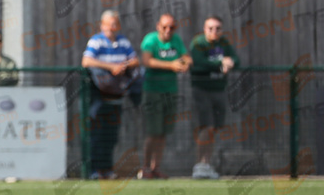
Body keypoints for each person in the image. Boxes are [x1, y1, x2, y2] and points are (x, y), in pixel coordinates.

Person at [81, 10, 140, 179]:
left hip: (116, 95)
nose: (111, 28)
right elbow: (87, 61)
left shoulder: (123, 41)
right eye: (107, 24)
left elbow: (135, 60)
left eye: (114, 24)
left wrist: (123, 65)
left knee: (111, 135)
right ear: (101, 25)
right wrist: (111, 66)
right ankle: (93, 170)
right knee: (96, 133)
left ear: (118, 26)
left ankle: (106, 169)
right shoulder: (96, 41)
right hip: (97, 95)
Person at [138, 14, 191, 179]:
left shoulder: (176, 41)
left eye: (172, 27)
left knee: (163, 133)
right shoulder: (150, 40)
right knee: (153, 132)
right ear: (158, 26)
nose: (168, 30)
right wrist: (171, 65)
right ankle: (145, 168)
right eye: (165, 27)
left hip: (171, 91)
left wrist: (185, 64)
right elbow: (147, 61)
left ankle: (156, 168)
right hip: (153, 91)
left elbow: (187, 58)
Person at [189, 16, 239, 179]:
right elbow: (198, 62)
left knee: (214, 129)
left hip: (219, 90)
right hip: (202, 90)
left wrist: (230, 62)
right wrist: (221, 63)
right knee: (206, 127)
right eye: (210, 28)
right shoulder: (198, 43)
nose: (214, 32)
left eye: (218, 28)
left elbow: (236, 60)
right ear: (204, 29)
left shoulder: (224, 43)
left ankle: (207, 164)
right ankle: (199, 165)